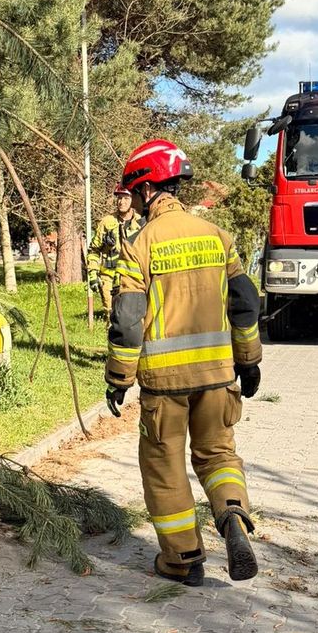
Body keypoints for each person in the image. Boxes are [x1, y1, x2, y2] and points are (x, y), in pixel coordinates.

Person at [104, 138, 263, 586]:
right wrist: (249, 360)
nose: (131, 202)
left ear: (147, 189)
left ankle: (183, 560)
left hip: (164, 386)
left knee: (165, 464)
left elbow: (128, 319)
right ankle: (232, 514)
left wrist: (118, 378)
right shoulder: (218, 238)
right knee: (217, 454)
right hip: (218, 379)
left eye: (133, 193)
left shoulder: (141, 245)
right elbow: (245, 303)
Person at [87, 184, 144, 317]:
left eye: (125, 198)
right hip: (109, 279)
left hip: (134, 279)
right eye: (119, 198)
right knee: (112, 317)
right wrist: (93, 275)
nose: (121, 202)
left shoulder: (141, 222)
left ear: (133, 200)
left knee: (135, 317)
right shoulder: (107, 222)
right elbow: (94, 250)